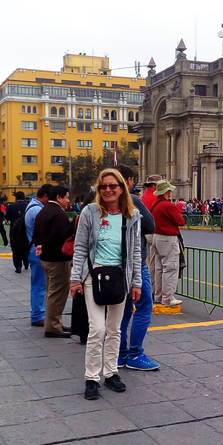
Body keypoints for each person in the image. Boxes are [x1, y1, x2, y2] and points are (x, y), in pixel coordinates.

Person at [70, 168, 142, 400]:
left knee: (114, 329)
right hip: (94, 276)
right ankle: (92, 378)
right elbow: (80, 247)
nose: (108, 190)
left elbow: (135, 252)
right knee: (97, 329)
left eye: (113, 185)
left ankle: (111, 373)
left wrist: (137, 282)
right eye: (103, 186)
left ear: (122, 188)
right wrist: (75, 279)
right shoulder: (90, 212)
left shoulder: (132, 216)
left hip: (121, 277)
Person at [116, 164, 158, 371]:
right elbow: (150, 225)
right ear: (129, 180)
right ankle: (135, 353)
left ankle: (120, 354)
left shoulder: (102, 202)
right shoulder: (132, 200)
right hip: (134, 263)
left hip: (114, 264)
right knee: (143, 307)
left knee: (122, 312)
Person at [33, 185, 73, 338]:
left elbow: (36, 233)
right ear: (58, 197)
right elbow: (58, 236)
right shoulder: (58, 214)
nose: (68, 201)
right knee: (57, 294)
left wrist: (40, 246)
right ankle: (53, 326)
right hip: (57, 259)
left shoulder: (42, 211)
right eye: (66, 198)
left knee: (51, 292)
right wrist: (46, 247)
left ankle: (55, 322)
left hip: (46, 259)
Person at [149, 179, 185, 306]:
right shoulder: (168, 205)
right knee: (170, 267)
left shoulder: (155, 204)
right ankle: (168, 298)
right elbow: (181, 221)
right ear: (166, 191)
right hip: (168, 238)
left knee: (159, 268)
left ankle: (159, 295)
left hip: (157, 236)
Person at [25, 184, 52, 326]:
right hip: (37, 251)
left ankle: (39, 313)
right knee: (39, 285)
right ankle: (37, 315)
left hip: (33, 250)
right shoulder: (37, 210)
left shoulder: (33, 207)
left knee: (39, 284)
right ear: (46, 196)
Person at [6, 192, 29, 272]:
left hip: (14, 230)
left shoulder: (11, 206)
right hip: (25, 229)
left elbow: (7, 217)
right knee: (26, 246)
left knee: (15, 248)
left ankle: (18, 266)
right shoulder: (28, 206)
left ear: (16, 198)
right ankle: (26, 263)